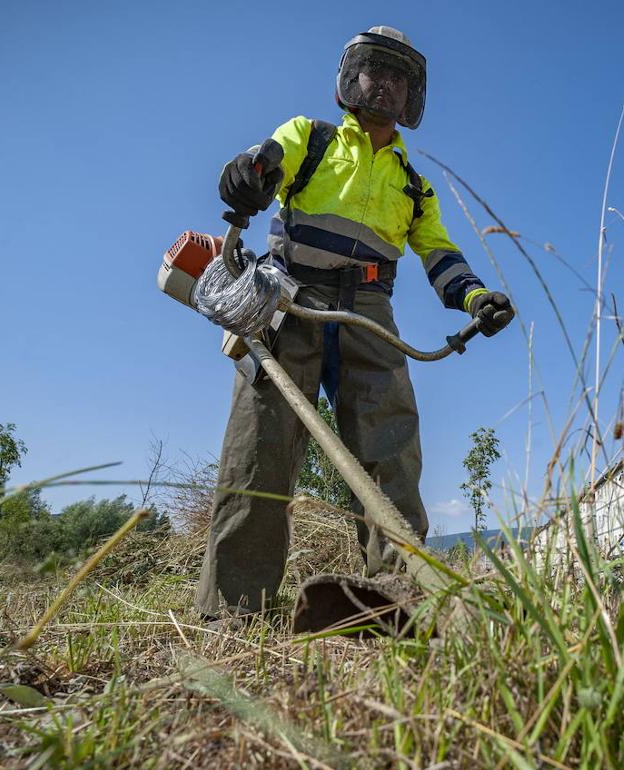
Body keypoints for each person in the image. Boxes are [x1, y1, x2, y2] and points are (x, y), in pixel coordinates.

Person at [196, 26, 513, 620]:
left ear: (412, 96)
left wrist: (475, 299)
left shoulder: (414, 185)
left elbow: (439, 252)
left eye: (399, 77)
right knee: (259, 445)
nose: (386, 83)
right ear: (351, 79)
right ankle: (232, 614)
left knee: (391, 450)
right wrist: (248, 172)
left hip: (369, 310)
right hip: (288, 298)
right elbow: (265, 161)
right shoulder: (309, 137)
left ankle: (401, 598)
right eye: (376, 70)